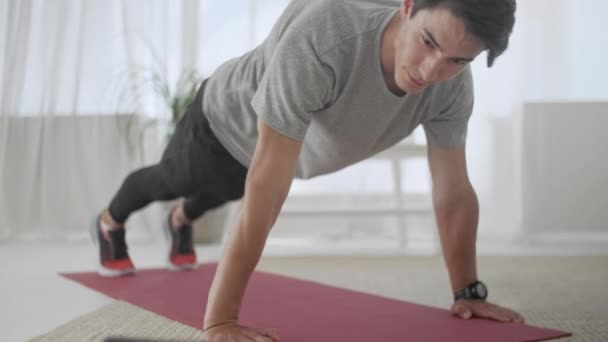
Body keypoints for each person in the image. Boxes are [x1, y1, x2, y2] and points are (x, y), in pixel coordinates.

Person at [90, 0, 524, 340]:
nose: (433, 71)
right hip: (222, 123)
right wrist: (220, 320)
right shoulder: (326, 36)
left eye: (459, 60)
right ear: (408, 5)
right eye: (428, 42)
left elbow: (452, 190)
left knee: (222, 193)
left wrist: (467, 292)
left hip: (273, 155)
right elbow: (267, 184)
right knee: (176, 180)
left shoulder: (450, 89)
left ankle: (180, 219)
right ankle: (110, 222)